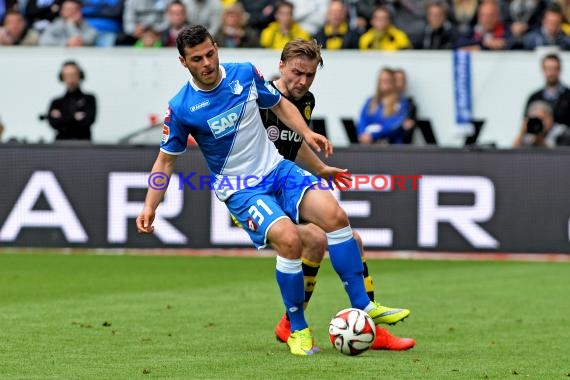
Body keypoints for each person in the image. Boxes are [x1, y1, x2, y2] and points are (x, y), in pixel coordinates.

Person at [136, 25, 410, 356]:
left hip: (277, 170)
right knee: (291, 241)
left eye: (210, 53)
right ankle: (297, 328)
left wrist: (307, 134)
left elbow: (279, 105)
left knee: (335, 216)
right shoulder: (181, 107)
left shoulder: (243, 74)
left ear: (217, 48)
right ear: (184, 62)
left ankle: (364, 307)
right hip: (240, 189)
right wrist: (150, 204)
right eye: (197, 59)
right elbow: (165, 162)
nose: (207, 63)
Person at [259, 39, 415, 351]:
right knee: (315, 241)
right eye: (296, 73)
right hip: (254, 191)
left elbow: (294, 138)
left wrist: (319, 168)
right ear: (280, 66)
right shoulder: (258, 96)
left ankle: (366, 324)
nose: (302, 81)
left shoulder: (305, 100)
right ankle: (293, 323)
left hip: (287, 186)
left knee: (351, 240)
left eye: (310, 75)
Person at [358, 67, 412, 144]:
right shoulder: (370, 102)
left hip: (391, 149)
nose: (384, 83)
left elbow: (394, 125)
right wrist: (363, 134)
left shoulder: (401, 103)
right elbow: (362, 120)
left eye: (387, 80)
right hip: (369, 146)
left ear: (393, 82)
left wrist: (374, 135)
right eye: (381, 80)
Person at [46, 61, 97, 141]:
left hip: (83, 144)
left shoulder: (89, 99)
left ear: (80, 76)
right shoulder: (56, 102)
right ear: (62, 77)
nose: (71, 79)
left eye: (73, 75)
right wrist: (74, 117)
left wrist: (62, 117)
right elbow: (53, 124)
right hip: (60, 145)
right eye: (67, 75)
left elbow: (88, 122)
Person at [524, 54, 570, 128]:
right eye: (548, 69)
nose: (551, 73)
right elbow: (525, 125)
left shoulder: (568, 96)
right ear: (543, 70)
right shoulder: (534, 98)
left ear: (560, 70)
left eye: (554, 69)